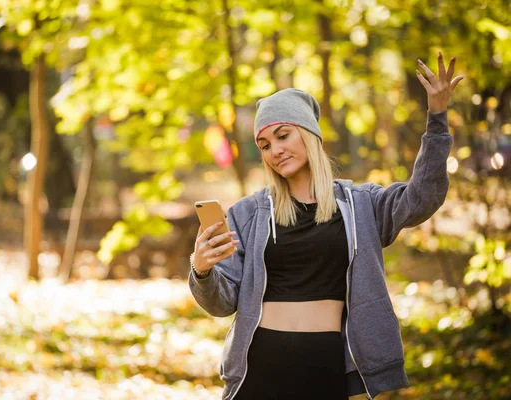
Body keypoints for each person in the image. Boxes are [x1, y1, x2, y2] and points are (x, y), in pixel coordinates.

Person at [189, 52, 463, 400]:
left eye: (283, 135)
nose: (275, 150)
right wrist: (201, 270)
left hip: (324, 362)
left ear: (308, 133)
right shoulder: (249, 213)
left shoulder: (361, 205)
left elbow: (423, 197)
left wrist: (437, 118)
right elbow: (222, 302)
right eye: (265, 144)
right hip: (261, 362)